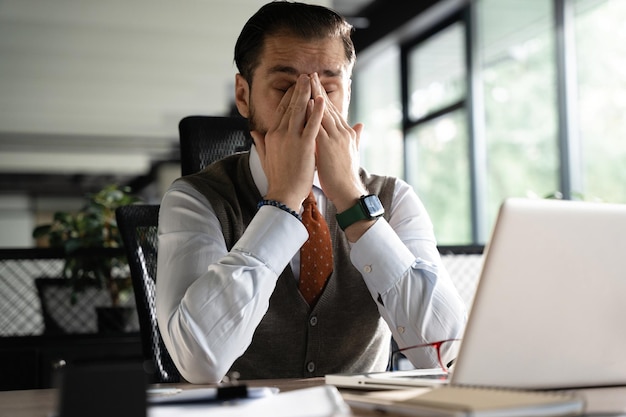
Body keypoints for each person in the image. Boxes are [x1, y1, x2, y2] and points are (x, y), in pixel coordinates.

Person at [156, 0, 466, 384]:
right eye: (285, 87)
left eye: (329, 88)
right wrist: (282, 202)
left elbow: (446, 351)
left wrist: (354, 204)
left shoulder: (392, 198)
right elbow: (198, 363)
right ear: (243, 94)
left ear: (347, 95)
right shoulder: (196, 199)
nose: (309, 105)